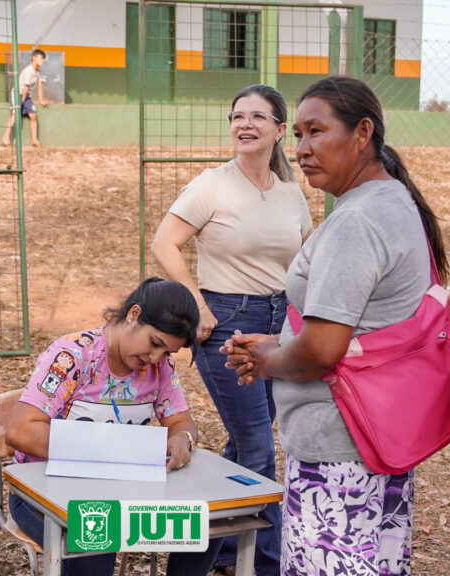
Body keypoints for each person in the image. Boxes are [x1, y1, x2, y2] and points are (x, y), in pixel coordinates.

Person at [223, 76, 449, 576]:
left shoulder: (357, 222)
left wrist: (268, 361)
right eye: (299, 135)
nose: (302, 149)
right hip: (378, 438)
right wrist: (281, 343)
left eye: (316, 132)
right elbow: (367, 327)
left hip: (338, 448)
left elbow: (324, 349)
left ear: (363, 132)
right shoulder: (394, 203)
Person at [151, 83, 312, 576]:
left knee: (244, 448)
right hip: (228, 323)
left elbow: (308, 260)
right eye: (237, 116)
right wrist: (198, 305)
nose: (245, 124)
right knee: (260, 447)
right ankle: (270, 564)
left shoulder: (290, 194)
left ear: (280, 131)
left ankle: (214, 553)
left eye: (258, 117)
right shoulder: (211, 185)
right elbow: (164, 243)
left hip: (278, 323)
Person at [6, 277, 218, 576]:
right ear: (133, 314)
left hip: (121, 490)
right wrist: (110, 447)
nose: (155, 358)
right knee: (96, 536)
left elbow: (182, 421)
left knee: (208, 523)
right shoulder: (74, 356)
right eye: (155, 343)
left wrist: (182, 439)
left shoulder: (158, 367)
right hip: (41, 492)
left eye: (167, 353)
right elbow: (21, 431)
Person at [0, 48, 50, 147]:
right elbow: (26, 87)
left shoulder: (38, 72)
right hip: (17, 94)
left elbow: (39, 85)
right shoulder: (29, 71)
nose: (43, 60)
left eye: (44, 59)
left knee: (33, 115)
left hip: (26, 96)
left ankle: (34, 140)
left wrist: (41, 101)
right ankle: (5, 137)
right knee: (14, 115)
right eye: (41, 58)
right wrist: (21, 101)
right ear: (34, 58)